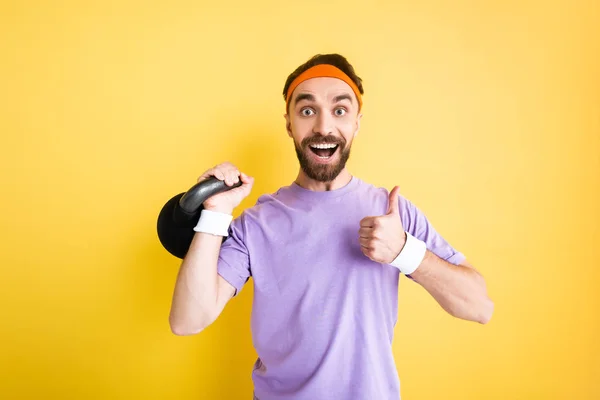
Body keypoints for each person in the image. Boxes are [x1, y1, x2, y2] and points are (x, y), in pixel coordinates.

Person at [168, 53, 494, 400]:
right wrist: (215, 214)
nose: (324, 127)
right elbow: (187, 320)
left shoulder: (392, 213)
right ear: (289, 123)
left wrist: (405, 252)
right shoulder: (255, 225)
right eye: (307, 111)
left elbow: (479, 307)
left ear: (357, 123)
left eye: (340, 110)